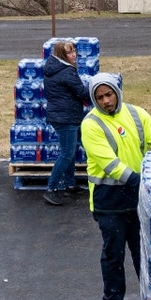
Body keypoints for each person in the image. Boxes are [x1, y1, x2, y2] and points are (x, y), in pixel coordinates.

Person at [80, 73, 151, 300]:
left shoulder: (137, 114)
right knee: (114, 255)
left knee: (145, 253)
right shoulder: (90, 124)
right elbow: (111, 165)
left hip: (138, 198)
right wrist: (146, 182)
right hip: (109, 202)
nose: (106, 101)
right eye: (100, 97)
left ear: (117, 91)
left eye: (109, 94)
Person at [42, 40, 89, 206]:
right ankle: (51, 189)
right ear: (63, 55)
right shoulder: (67, 72)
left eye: (74, 51)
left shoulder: (53, 68)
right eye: (70, 53)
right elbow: (82, 92)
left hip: (62, 115)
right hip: (66, 117)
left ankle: (70, 184)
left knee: (70, 151)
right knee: (66, 153)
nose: (74, 54)